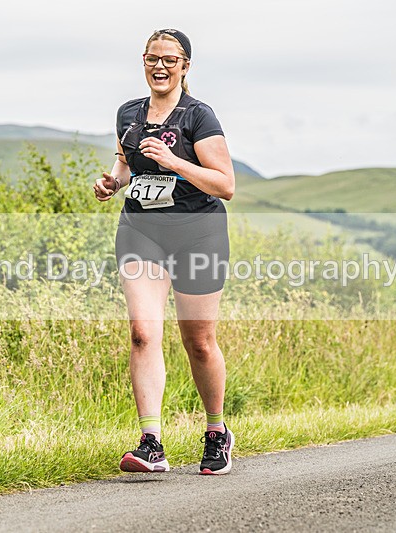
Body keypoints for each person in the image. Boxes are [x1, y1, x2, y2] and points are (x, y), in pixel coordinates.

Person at [94, 29, 236, 475]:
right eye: (153, 59)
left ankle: (216, 432)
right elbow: (124, 164)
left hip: (197, 233)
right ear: (143, 60)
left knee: (198, 341)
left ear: (185, 66)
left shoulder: (198, 116)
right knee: (142, 332)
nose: (160, 67)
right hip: (142, 230)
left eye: (170, 60)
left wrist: (174, 162)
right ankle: (151, 442)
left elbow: (226, 185)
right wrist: (111, 183)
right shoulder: (128, 113)